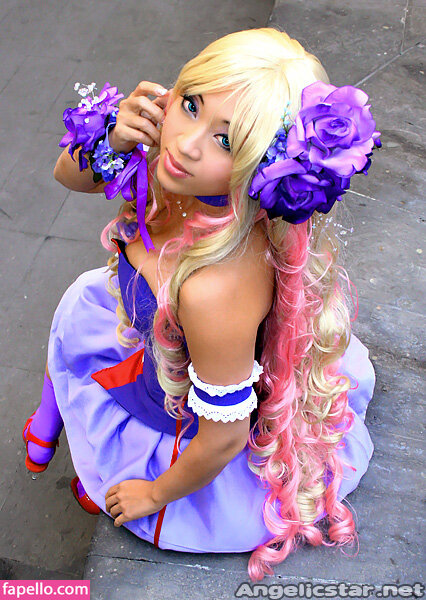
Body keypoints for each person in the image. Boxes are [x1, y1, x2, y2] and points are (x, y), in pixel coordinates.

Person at [21, 27, 380, 581]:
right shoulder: (178, 166)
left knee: (79, 344)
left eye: (227, 140)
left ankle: (67, 444)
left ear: (267, 164)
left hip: (178, 405)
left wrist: (153, 493)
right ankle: (50, 425)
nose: (186, 143)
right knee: (77, 312)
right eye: (191, 104)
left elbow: (225, 436)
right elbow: (67, 176)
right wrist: (113, 140)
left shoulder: (215, 289)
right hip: (141, 332)